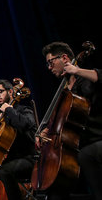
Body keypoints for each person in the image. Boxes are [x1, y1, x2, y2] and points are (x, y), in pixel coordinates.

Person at [38, 42, 102, 200]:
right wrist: (46, 130)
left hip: (97, 140)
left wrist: (77, 70)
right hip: (77, 148)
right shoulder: (65, 90)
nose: (49, 68)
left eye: (51, 62)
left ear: (64, 58)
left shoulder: (84, 78)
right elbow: (58, 121)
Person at [0, 79, 36, 200]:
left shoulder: (23, 110)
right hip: (12, 159)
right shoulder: (1, 117)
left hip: (29, 158)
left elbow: (25, 124)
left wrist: (9, 110)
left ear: (10, 92)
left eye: (0, 91)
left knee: (5, 171)